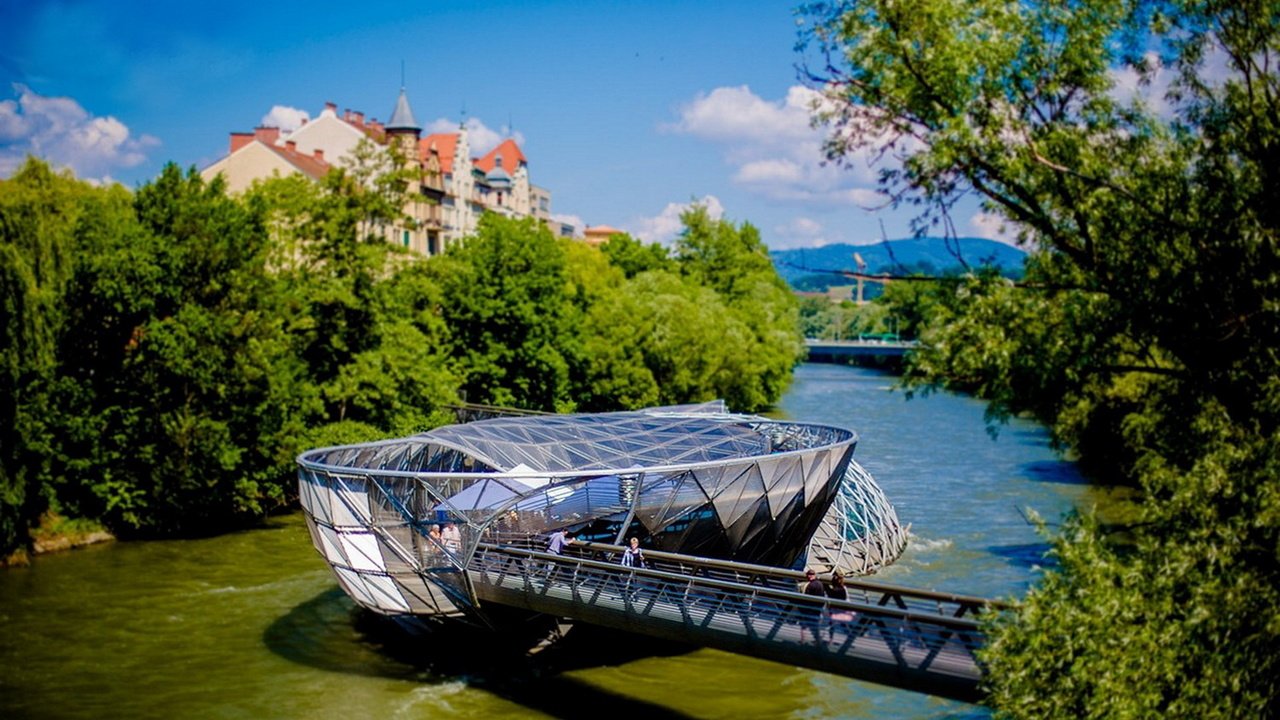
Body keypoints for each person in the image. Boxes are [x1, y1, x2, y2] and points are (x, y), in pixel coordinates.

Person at [801, 568, 826, 646]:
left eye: (810, 575)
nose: (809, 576)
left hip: (810, 609)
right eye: (809, 574)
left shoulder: (810, 585)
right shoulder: (820, 583)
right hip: (818, 608)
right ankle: (818, 640)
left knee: (805, 625)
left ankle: (804, 641)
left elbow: (806, 598)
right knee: (814, 625)